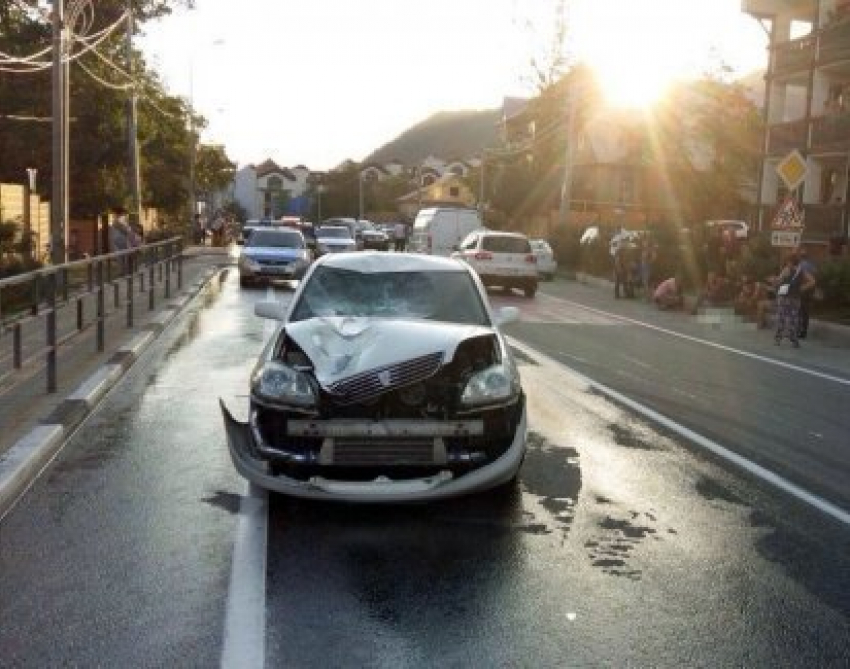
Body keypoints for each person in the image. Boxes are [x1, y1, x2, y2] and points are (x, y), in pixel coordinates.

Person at [774, 252, 816, 348]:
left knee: (781, 318)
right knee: (794, 319)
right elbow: (812, 281)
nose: (787, 263)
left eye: (788, 261)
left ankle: (778, 338)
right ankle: (794, 340)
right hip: (795, 298)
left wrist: (775, 280)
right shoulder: (801, 271)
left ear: (790, 262)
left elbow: (779, 281)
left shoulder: (786, 270)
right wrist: (802, 288)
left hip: (784, 297)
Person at [796, 246, 817, 339]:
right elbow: (816, 273)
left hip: (803, 289)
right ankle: (804, 331)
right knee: (805, 311)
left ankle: (800, 331)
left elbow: (802, 276)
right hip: (810, 290)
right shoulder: (811, 264)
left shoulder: (801, 265)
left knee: (800, 311)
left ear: (800, 256)